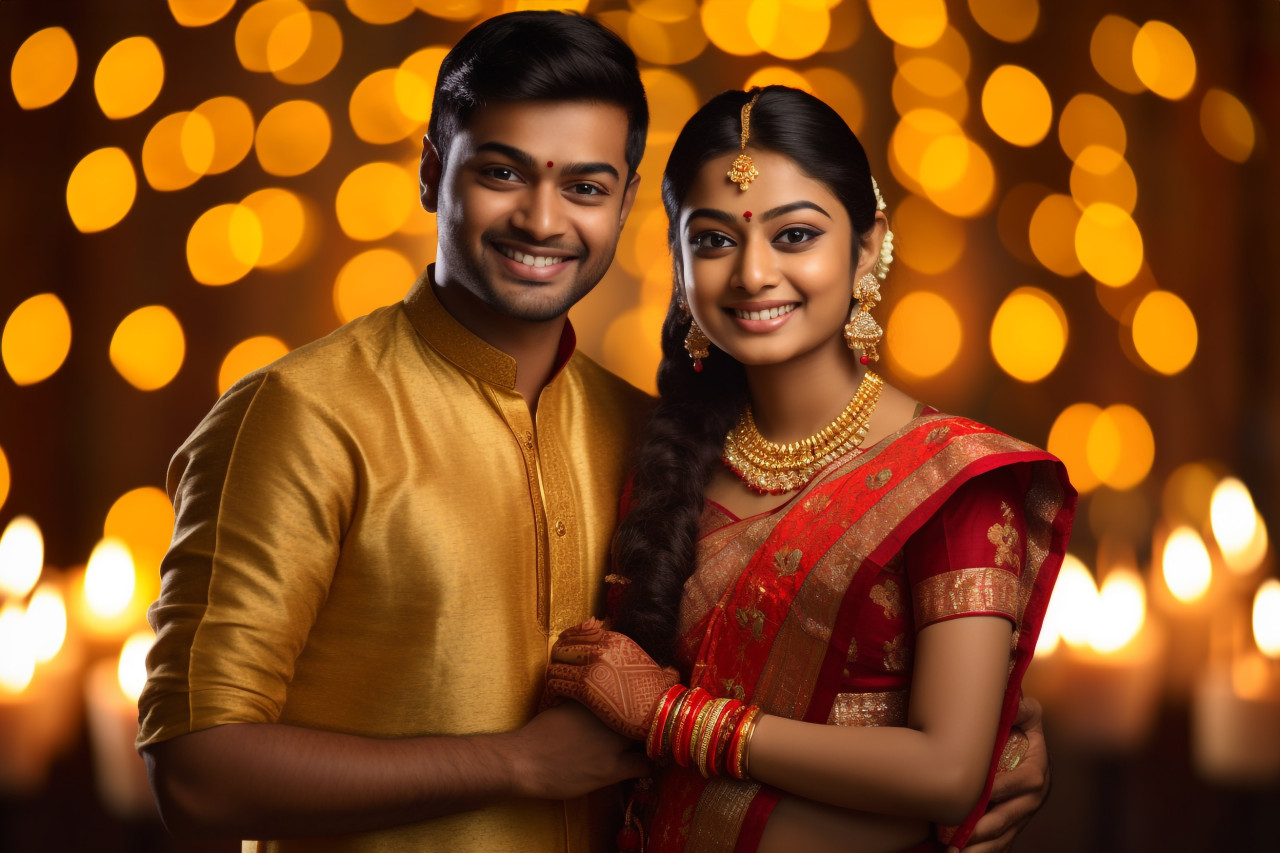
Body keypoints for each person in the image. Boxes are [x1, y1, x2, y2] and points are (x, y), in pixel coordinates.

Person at [136, 13, 1051, 852]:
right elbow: (198, 777)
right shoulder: (300, 416)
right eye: (501, 172)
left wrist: (994, 733)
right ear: (429, 170)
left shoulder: (653, 437)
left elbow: (794, 653)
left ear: (622, 212)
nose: (542, 218)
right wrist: (515, 763)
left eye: (584, 185)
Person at [544, 86, 1075, 853]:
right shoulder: (660, 459)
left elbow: (949, 771)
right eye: (715, 240)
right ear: (679, 261)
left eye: (795, 236)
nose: (754, 273)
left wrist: (671, 718)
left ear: (867, 245)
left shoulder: (952, 481)